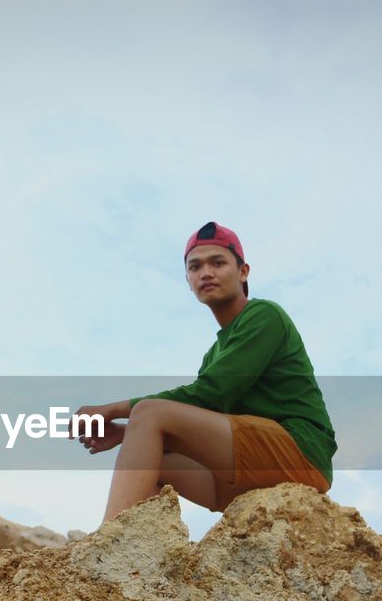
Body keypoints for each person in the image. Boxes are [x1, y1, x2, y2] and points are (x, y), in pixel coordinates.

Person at [75, 221, 337, 523]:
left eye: (218, 262)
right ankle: (139, 561)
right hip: (240, 479)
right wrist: (130, 435)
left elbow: (211, 395)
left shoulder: (264, 316)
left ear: (243, 272)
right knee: (154, 460)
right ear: (188, 280)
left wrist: (116, 410)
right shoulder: (213, 354)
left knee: (149, 413)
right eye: (195, 267)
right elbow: (207, 417)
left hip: (299, 458)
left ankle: (106, 545)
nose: (206, 273)